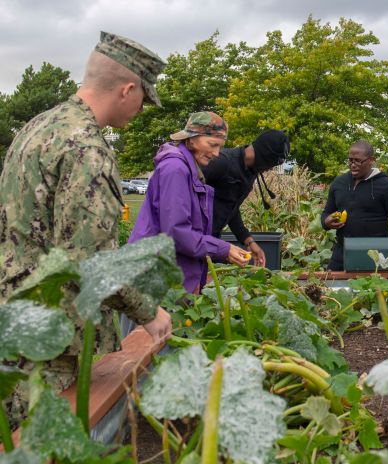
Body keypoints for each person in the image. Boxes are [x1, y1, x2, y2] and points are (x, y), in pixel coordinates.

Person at [0, 32, 172, 422]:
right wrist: (149, 312)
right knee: (45, 456)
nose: (141, 109)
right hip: (54, 337)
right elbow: (90, 260)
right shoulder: (87, 149)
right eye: (143, 99)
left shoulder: (37, 128)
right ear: (127, 89)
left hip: (16, 318)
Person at [129, 112, 250, 293]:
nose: (217, 153)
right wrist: (223, 249)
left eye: (220, 147)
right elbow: (176, 233)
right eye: (212, 144)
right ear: (192, 139)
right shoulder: (175, 169)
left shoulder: (188, 169)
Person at [202, 129, 290, 267]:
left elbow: (231, 208)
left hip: (211, 240)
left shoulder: (251, 172)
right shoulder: (222, 162)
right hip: (194, 240)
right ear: (264, 156)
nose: (269, 170)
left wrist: (248, 240)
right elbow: (185, 192)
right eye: (271, 165)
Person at [321, 140, 388, 271]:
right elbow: (326, 213)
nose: (353, 165)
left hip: (372, 257)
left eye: (358, 161)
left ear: (371, 160)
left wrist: (387, 252)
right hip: (341, 255)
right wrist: (326, 222)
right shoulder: (339, 183)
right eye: (350, 160)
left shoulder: (386, 185)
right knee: (332, 288)